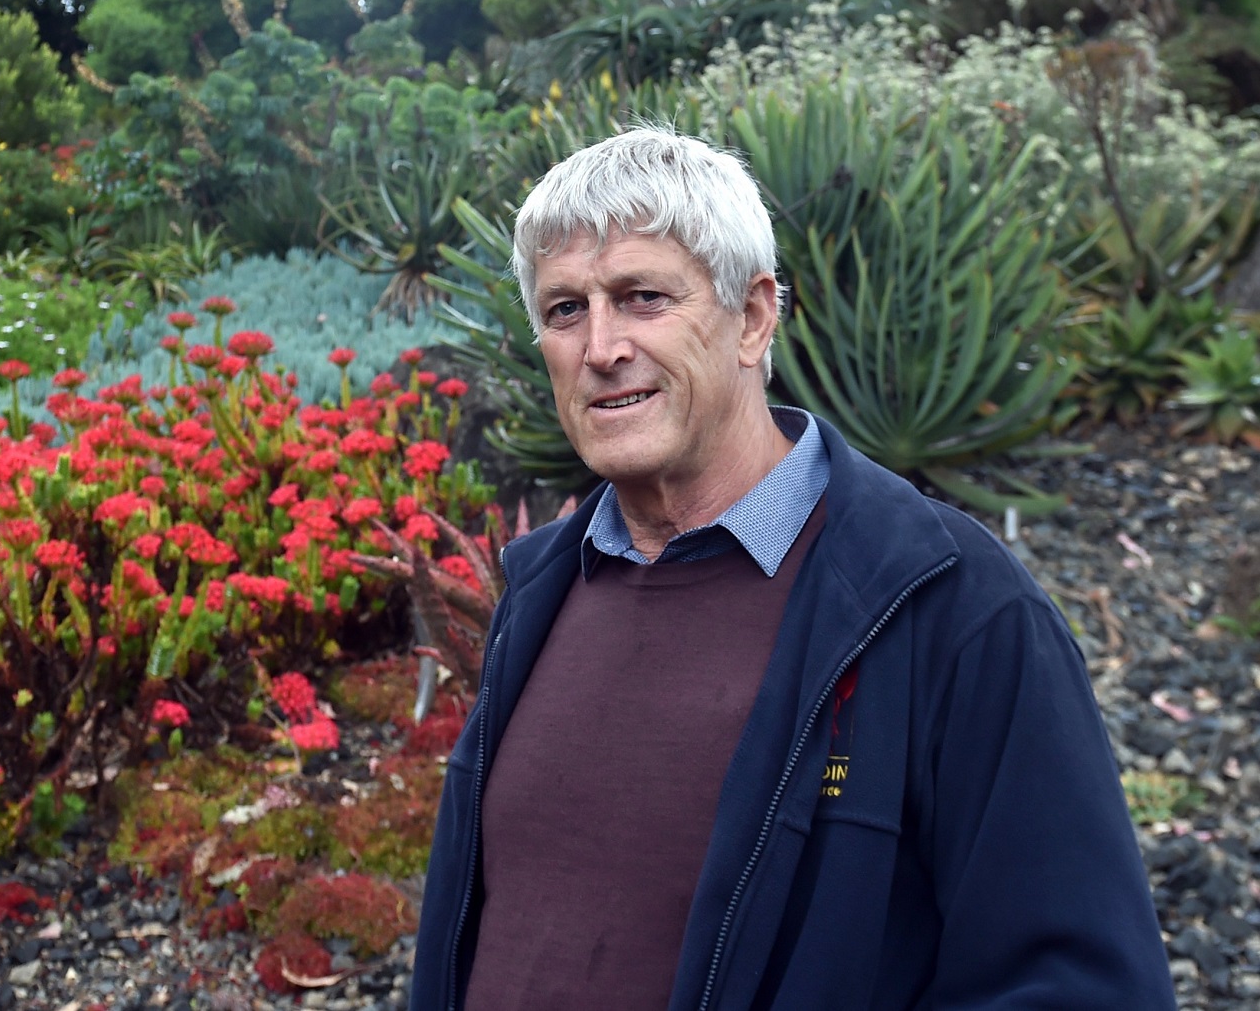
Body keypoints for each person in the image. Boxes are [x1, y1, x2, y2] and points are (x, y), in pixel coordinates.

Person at [409, 126, 1175, 1010]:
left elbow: (1082, 985)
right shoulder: (544, 588)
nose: (601, 347)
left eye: (643, 296)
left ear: (752, 317)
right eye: (564, 309)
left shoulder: (949, 605)